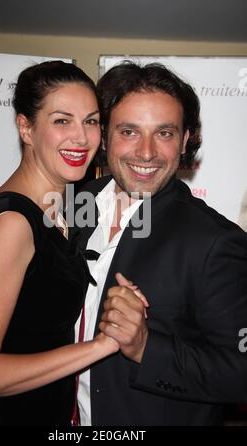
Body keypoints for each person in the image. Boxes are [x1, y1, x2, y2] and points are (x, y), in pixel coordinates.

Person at [0, 60, 124, 426]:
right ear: (25, 127)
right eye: (62, 121)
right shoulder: (13, 223)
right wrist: (101, 345)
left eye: (91, 121)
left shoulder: (60, 209)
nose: (81, 137)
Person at [72, 62, 247, 426]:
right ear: (104, 137)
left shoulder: (215, 240)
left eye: (164, 133)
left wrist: (146, 348)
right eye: (129, 131)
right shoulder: (71, 206)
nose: (147, 152)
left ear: (185, 141)